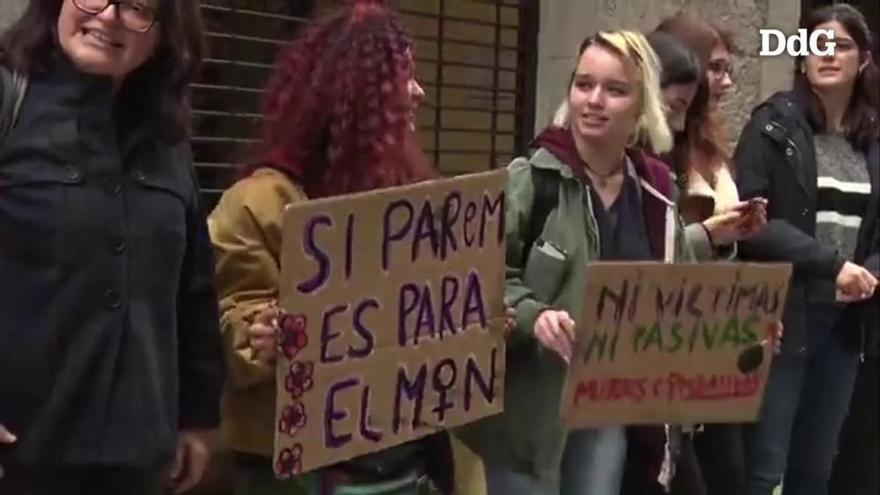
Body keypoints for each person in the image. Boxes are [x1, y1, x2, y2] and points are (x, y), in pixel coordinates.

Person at [207, 2, 455, 494]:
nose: (418, 92)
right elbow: (227, 319)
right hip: (297, 470)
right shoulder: (258, 204)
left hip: (406, 462)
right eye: (402, 77)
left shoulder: (411, 202)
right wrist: (260, 334)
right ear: (357, 99)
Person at [0, 0, 224, 494]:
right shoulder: (9, 101)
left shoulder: (169, 140)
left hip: (137, 457)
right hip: (23, 454)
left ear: (163, 34)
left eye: (137, 7)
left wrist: (195, 419)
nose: (107, 16)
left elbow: (193, 289)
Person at [457, 29, 694, 495]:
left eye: (615, 89)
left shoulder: (658, 193)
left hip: (607, 410)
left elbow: (682, 291)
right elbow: (478, 276)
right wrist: (534, 315)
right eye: (584, 84)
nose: (595, 100)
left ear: (642, 104)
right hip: (530, 418)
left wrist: (742, 328)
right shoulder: (530, 180)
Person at [733, 4, 880, 494]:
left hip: (844, 327)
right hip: (782, 316)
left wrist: (868, 273)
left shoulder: (872, 139)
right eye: (816, 44)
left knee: (814, 470)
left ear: (863, 60)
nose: (828, 54)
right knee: (764, 467)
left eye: (841, 45)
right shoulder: (773, 125)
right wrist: (832, 266)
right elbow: (751, 221)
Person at [625, 28, 766, 495]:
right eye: (717, 67)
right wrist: (709, 234)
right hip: (654, 353)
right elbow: (651, 256)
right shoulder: (643, 163)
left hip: (712, 334)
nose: (725, 81)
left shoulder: (702, 145)